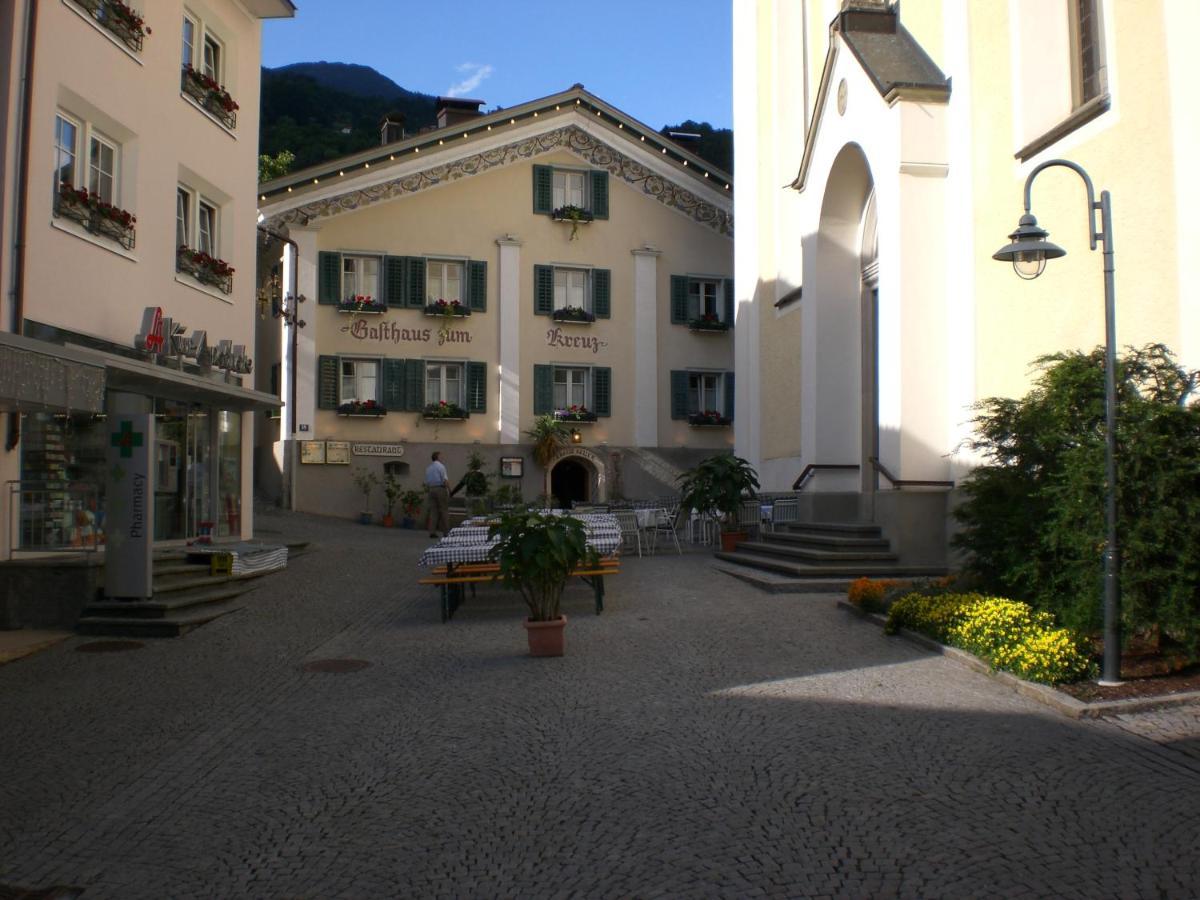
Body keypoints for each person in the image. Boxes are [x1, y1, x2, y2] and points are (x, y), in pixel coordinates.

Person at [424, 451, 450, 538]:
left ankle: (432, 532)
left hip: (431, 489)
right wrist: (450, 490)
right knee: (444, 510)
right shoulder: (441, 466)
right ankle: (446, 532)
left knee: (433, 511)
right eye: (441, 456)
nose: (442, 458)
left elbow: (427, 481)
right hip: (440, 488)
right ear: (438, 457)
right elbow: (445, 480)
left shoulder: (429, 468)